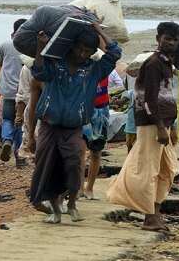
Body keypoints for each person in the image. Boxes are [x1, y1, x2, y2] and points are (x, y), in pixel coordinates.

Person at [28, 22, 120, 224]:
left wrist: (99, 30)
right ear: (71, 46)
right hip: (49, 124)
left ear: (92, 52)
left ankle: (71, 204)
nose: (81, 54)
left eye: (87, 51)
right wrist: (39, 48)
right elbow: (39, 72)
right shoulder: (55, 65)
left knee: (73, 164)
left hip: (73, 127)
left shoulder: (93, 70)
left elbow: (115, 53)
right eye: (79, 48)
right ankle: (55, 210)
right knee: (47, 165)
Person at [107, 22, 179, 232]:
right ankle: (148, 217)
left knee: (168, 169)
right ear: (158, 39)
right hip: (151, 125)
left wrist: (169, 126)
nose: (171, 42)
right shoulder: (154, 64)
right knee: (149, 170)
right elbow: (149, 100)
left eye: (175, 39)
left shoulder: (167, 63)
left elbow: (166, 97)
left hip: (162, 124)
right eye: (167, 38)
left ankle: (155, 212)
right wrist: (159, 126)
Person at [0, 18, 28, 166]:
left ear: (13, 33)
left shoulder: (5, 44)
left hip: (8, 90)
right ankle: (19, 156)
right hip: (25, 90)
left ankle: (7, 140)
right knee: (22, 123)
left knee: (8, 119)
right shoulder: (30, 46)